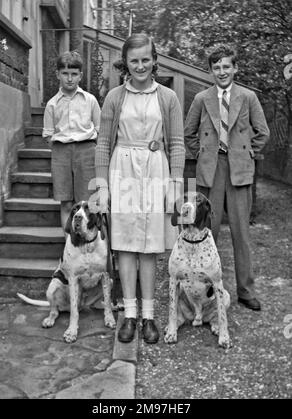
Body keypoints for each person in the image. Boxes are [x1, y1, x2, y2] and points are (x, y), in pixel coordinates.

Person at [93, 33, 185, 344]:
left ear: (154, 60)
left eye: (146, 59)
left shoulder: (168, 98)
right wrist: (102, 186)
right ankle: (129, 314)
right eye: (134, 60)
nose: (141, 65)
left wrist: (175, 184)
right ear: (126, 63)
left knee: (150, 246)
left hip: (156, 171)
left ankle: (149, 315)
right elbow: (104, 143)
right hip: (123, 172)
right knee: (127, 245)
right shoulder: (115, 97)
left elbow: (177, 144)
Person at [184, 44, 270, 311]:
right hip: (211, 170)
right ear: (210, 70)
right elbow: (188, 133)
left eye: (226, 66)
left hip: (239, 171)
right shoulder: (201, 98)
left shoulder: (248, 97)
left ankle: (245, 290)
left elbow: (263, 132)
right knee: (206, 233)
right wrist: (204, 154)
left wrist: (246, 152)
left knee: (241, 233)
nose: (221, 71)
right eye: (216, 67)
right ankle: (204, 288)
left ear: (235, 68)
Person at [43, 51, 101, 233]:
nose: (69, 78)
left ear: (80, 76)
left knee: (88, 201)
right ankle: (69, 248)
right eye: (65, 73)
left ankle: (89, 246)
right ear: (58, 74)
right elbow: (48, 134)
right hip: (61, 153)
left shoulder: (90, 100)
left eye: (74, 74)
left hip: (86, 150)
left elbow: (99, 129)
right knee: (66, 202)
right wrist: (62, 149)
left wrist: (90, 148)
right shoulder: (52, 104)